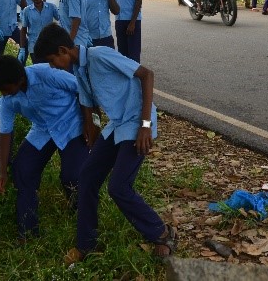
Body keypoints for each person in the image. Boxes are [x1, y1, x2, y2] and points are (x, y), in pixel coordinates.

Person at [34, 24, 177, 265]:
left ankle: (161, 233)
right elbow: (88, 101)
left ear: (63, 51)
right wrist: (90, 128)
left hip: (136, 121)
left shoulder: (99, 55)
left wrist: (144, 125)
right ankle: (86, 244)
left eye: (52, 61)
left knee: (119, 187)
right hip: (117, 124)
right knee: (87, 177)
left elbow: (147, 75)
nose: (52, 67)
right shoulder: (78, 69)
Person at [0, 55, 89, 240]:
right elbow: (5, 133)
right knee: (22, 170)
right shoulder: (8, 99)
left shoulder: (47, 74)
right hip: (42, 130)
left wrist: (91, 124)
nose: (2, 93)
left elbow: (82, 89)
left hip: (71, 125)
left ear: (18, 79)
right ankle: (28, 232)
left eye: (4, 89)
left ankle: (81, 216)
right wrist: (3, 172)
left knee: (71, 177)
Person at [19, 0, 59, 64]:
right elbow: (23, 30)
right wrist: (22, 49)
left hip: (50, 46)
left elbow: (61, 20)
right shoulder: (27, 11)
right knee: (39, 70)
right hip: (34, 47)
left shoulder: (51, 7)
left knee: (50, 70)